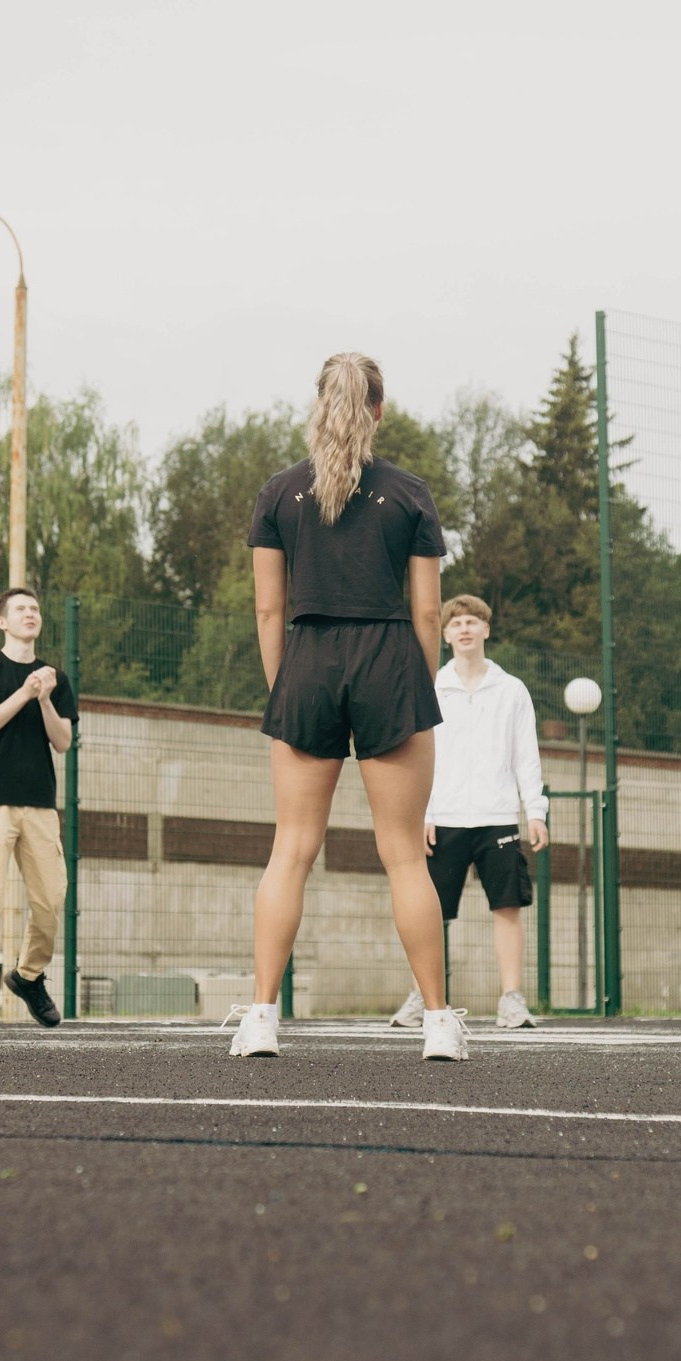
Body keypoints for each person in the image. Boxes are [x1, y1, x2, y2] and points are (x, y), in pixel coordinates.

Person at [228, 353, 458, 1061]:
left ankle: (262, 1016)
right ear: (380, 410)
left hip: (308, 660)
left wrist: (284, 685)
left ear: (318, 403)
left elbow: (271, 607)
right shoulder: (410, 493)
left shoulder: (278, 492)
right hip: (391, 661)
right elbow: (427, 613)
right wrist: (413, 690)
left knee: (291, 848)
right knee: (403, 857)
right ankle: (439, 1024)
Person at [386, 594, 549, 1031]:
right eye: (455, 622)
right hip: (442, 819)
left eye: (472, 621)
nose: (464, 629)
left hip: (497, 817)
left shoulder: (512, 690)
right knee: (431, 913)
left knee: (508, 908)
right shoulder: (431, 687)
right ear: (444, 634)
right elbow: (419, 756)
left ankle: (511, 1001)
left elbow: (525, 755)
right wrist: (422, 813)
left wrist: (534, 810)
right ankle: (422, 997)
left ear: (486, 630)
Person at [0, 587, 77, 1029]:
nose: (31, 614)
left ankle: (28, 976)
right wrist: (24, 694)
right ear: (2, 622)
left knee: (50, 900)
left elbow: (62, 742)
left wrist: (44, 696)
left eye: (35, 609)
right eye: (21, 609)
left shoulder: (55, 679)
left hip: (40, 807)